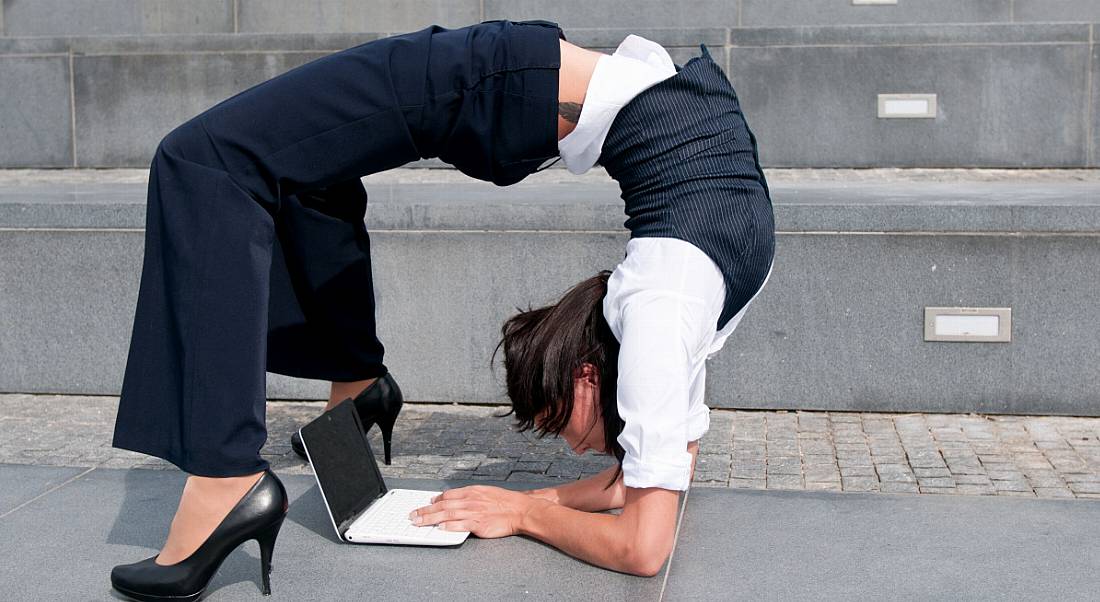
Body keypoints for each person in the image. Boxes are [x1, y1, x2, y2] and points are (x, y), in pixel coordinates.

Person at [108, 18, 584, 601]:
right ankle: (357, 385)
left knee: (202, 161)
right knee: (311, 172)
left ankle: (222, 474)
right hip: (509, 72)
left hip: (501, 71)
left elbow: (644, 544)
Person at [409, 34, 775, 576]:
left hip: (522, 78)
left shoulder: (658, 316)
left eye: (561, 427)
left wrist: (521, 513)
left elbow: (642, 549)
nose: (576, 450)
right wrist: (539, 500)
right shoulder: (662, 316)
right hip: (602, 95)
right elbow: (650, 480)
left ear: (585, 378)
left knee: (380, 106)